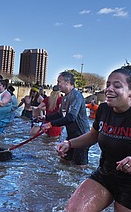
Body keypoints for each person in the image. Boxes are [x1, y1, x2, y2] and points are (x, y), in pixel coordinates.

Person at [57, 66, 131, 211]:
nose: (109, 89)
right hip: (106, 172)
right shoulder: (103, 110)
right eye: (108, 85)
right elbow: (93, 136)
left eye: (117, 86)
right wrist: (69, 143)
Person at [41, 71, 90, 165]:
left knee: (79, 167)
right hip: (71, 136)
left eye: (59, 81)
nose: (57, 84)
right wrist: (45, 118)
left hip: (81, 136)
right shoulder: (64, 98)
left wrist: (51, 124)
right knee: (64, 161)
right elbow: (60, 114)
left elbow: (71, 117)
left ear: (67, 82)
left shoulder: (77, 96)